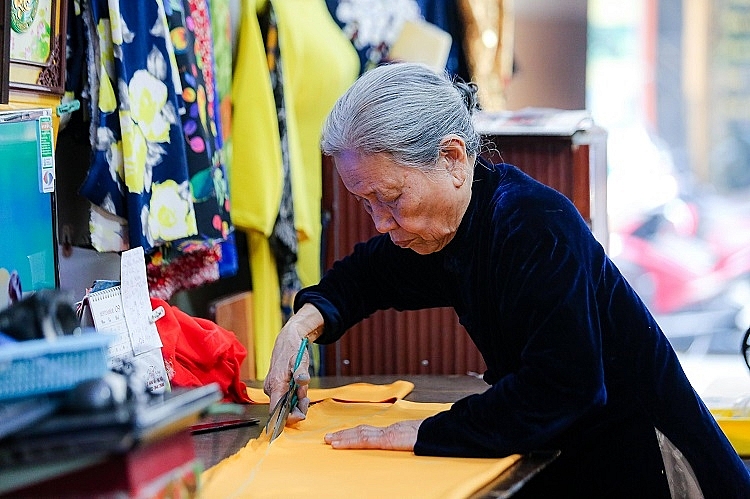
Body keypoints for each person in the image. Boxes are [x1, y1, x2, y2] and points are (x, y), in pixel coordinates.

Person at [264, 62, 750, 497]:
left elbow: (564, 388)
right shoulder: (444, 226)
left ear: (453, 158)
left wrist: (426, 432)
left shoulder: (531, 223)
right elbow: (366, 276)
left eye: (389, 197)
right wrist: (302, 325)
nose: (380, 222)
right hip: (575, 450)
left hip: (657, 466)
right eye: (365, 203)